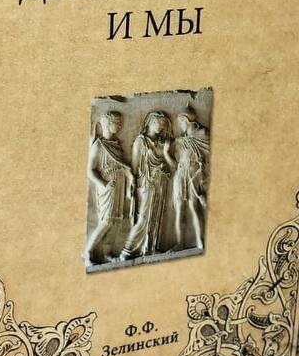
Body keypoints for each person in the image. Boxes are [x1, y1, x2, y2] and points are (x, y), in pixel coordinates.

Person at [120, 111, 174, 260]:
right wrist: (133, 187)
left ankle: (150, 249)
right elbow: (135, 166)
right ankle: (127, 251)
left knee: (156, 217)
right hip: (145, 184)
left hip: (160, 183)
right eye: (158, 123)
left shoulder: (162, 142)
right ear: (150, 122)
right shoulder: (140, 141)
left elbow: (172, 165)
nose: (160, 127)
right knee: (143, 218)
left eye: (163, 125)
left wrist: (166, 152)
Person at [85, 110, 134, 264]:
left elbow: (120, 164)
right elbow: (90, 170)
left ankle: (107, 253)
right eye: (116, 122)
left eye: (120, 123)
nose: (119, 125)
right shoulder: (99, 145)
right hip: (108, 187)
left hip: (119, 184)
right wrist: (104, 184)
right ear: (107, 124)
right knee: (106, 221)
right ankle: (88, 251)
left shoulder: (116, 144)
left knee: (116, 221)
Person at [173, 111, 210, 250]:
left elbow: (209, 152)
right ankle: (179, 243)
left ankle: (200, 240)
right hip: (180, 174)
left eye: (181, 121)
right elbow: (175, 162)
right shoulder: (180, 140)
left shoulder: (202, 134)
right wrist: (165, 152)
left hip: (194, 175)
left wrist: (202, 163)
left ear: (188, 120)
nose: (180, 124)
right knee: (179, 209)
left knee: (194, 207)